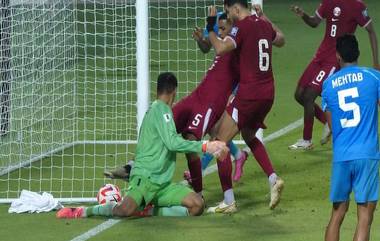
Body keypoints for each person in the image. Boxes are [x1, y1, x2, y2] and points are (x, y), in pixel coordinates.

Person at [56, 72, 229, 219]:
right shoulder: (160, 110)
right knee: (124, 210)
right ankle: (82, 211)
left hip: (162, 184)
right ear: (174, 90)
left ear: (157, 90)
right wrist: (207, 146)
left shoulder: (160, 111)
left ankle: (148, 209)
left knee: (197, 205)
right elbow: (172, 143)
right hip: (146, 179)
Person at [205, 0, 285, 213]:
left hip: (250, 94)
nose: (227, 16)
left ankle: (228, 201)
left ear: (235, 8)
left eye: (228, 11)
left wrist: (209, 26)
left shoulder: (242, 27)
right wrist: (265, 18)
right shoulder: (263, 24)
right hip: (269, 93)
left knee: (219, 142)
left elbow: (221, 48)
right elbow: (282, 40)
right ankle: (273, 179)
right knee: (249, 134)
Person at [288, 0, 379, 150]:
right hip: (320, 55)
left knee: (309, 96)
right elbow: (314, 22)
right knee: (299, 94)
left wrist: (376, 62)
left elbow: (371, 31)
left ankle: (306, 140)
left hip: (335, 58)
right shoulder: (328, 2)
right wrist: (303, 15)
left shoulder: (356, 5)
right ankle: (327, 122)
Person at [322, 34, 380, 241]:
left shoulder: (328, 85)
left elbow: (331, 124)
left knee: (336, 214)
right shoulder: (374, 77)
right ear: (358, 53)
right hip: (367, 155)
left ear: (338, 56)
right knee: (364, 216)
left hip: (342, 156)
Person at [187, 12, 249, 183]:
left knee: (218, 130)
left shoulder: (239, 23)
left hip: (236, 83)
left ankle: (199, 169)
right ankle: (238, 155)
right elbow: (208, 47)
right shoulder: (219, 20)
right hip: (221, 81)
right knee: (213, 128)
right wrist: (201, 39)